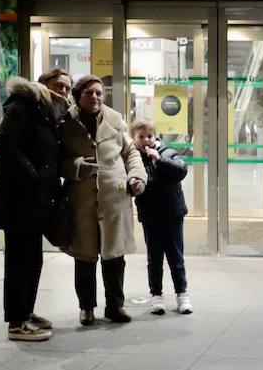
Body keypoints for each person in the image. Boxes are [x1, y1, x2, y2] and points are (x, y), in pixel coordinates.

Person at [0, 67, 72, 342]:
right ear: (43, 84)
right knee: (19, 261)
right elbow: (3, 143)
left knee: (32, 259)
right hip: (19, 201)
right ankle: (16, 322)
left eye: (68, 88)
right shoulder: (25, 104)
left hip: (34, 201)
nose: (64, 91)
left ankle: (26, 312)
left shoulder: (46, 112)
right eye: (59, 85)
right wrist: (32, 175)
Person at [60, 75, 144, 325]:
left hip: (114, 198)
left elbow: (130, 153)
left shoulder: (115, 119)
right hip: (81, 201)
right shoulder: (66, 122)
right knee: (84, 258)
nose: (95, 97)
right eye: (89, 93)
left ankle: (115, 306)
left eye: (98, 93)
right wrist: (74, 166)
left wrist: (136, 177)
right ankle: (86, 308)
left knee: (115, 257)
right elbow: (56, 160)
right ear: (78, 96)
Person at [130, 119, 191, 316]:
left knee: (176, 257)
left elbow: (181, 171)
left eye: (149, 136)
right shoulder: (134, 160)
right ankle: (156, 295)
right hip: (150, 216)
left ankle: (182, 294)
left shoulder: (167, 152)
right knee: (154, 258)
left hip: (173, 214)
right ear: (134, 139)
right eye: (141, 137)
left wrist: (159, 159)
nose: (146, 140)